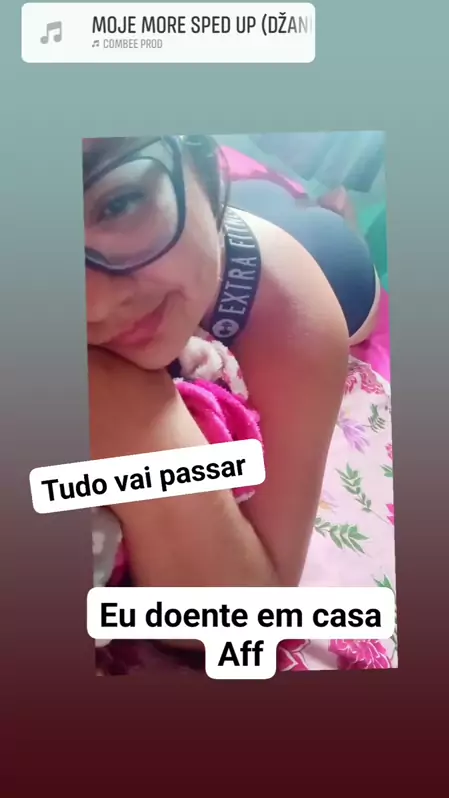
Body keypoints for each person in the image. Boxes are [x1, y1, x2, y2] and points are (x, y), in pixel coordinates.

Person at [84, 135, 376, 591]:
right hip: (205, 205)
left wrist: (146, 429)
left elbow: (252, 612)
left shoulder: (290, 308)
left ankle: (335, 211)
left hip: (321, 257)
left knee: (345, 279)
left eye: (118, 204)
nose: (96, 305)